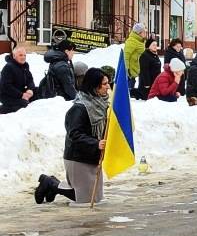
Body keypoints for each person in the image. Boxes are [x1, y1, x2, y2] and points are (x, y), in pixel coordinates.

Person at [34, 68, 109, 205]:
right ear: (94, 86)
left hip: (93, 155)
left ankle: (53, 185)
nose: (108, 87)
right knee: (84, 198)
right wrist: (95, 143)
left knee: (96, 197)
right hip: (78, 157)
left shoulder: (102, 104)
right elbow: (74, 133)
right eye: (104, 84)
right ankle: (50, 184)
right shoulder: (79, 108)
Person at [0, 47, 35, 114]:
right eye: (20, 55)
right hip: (7, 95)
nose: (23, 57)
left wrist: (30, 89)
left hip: (21, 91)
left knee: (38, 91)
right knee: (24, 104)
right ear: (14, 56)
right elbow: (6, 86)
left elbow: (30, 79)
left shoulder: (25, 66)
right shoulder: (8, 67)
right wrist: (21, 95)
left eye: (25, 55)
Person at [124, 23, 148, 92]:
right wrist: (127, 69)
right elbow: (126, 55)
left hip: (139, 67)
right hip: (131, 69)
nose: (145, 33)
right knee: (129, 87)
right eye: (144, 31)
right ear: (139, 33)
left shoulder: (141, 40)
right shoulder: (132, 41)